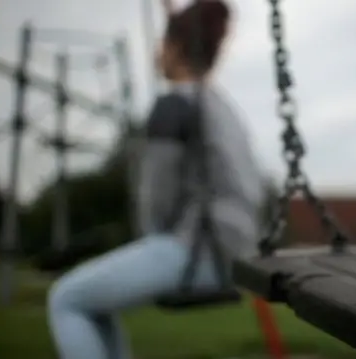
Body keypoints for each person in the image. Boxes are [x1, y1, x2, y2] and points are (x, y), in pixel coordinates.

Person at [47, 1, 264, 359]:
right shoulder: (222, 107)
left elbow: (156, 199)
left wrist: (151, 239)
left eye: (161, 43)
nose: (156, 52)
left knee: (66, 299)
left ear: (175, 47)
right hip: (238, 253)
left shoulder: (173, 106)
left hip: (196, 250)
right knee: (95, 304)